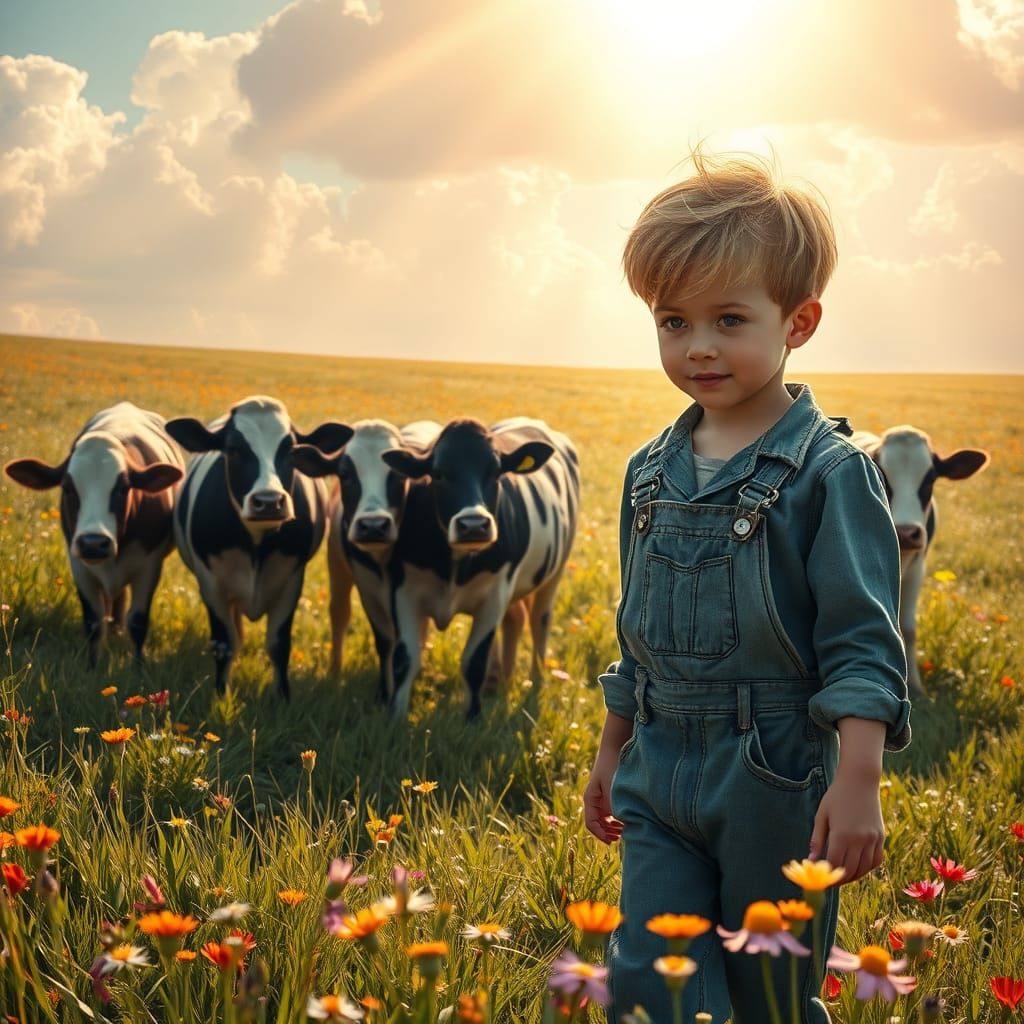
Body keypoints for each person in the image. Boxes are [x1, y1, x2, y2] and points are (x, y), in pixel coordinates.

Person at [583, 151, 911, 1024]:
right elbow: (636, 632)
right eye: (672, 321)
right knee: (649, 984)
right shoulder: (648, 471)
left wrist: (859, 780)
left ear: (798, 321)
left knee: (771, 993)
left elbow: (863, 643)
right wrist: (613, 747)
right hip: (659, 767)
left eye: (730, 319)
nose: (698, 347)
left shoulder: (830, 474)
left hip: (774, 777)